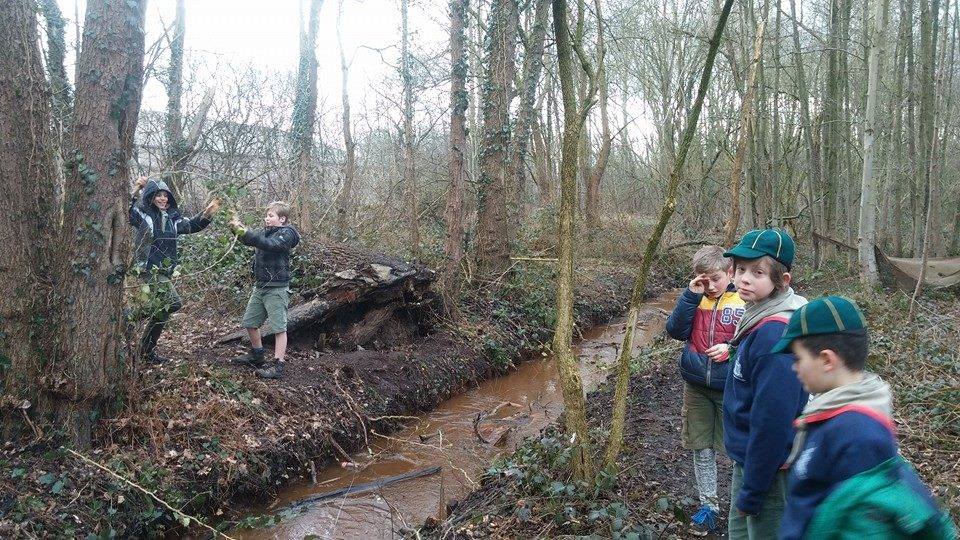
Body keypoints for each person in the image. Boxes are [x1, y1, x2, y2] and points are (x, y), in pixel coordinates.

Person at [774, 296, 956, 539]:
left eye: (798, 358)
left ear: (827, 360)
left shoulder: (857, 434)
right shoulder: (831, 414)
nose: (794, 367)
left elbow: (865, 528)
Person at [720, 228, 809, 539]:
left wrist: (754, 490)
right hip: (751, 461)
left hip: (769, 471)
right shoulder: (756, 316)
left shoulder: (774, 335)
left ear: (782, 281)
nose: (744, 279)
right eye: (741, 269)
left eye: (758, 272)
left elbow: (774, 421)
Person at [665, 245, 745, 534]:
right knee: (701, 447)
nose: (709, 286)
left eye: (715, 279)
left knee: (736, 448)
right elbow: (674, 330)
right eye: (702, 279)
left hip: (732, 387)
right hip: (696, 385)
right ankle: (709, 506)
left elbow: (757, 340)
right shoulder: (695, 297)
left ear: (730, 272)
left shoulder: (744, 299)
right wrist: (690, 295)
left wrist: (732, 349)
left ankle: (741, 505)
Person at [129, 176, 219, 363]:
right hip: (148, 268)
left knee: (163, 310)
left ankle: (145, 350)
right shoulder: (143, 215)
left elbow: (193, 225)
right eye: (158, 195)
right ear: (151, 197)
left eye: (165, 195)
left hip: (164, 270)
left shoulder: (173, 219)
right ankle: (129, 316)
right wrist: (137, 187)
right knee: (173, 302)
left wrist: (208, 213)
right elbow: (125, 208)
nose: (163, 199)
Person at [229, 201, 300, 380]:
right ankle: (257, 355)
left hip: (277, 288)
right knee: (250, 322)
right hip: (260, 287)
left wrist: (247, 232)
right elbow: (250, 239)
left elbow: (271, 245)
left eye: (271, 216)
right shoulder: (264, 232)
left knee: (279, 328)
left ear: (282, 219)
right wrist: (236, 228)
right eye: (266, 215)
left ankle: (278, 365)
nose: (266, 218)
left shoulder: (287, 234)